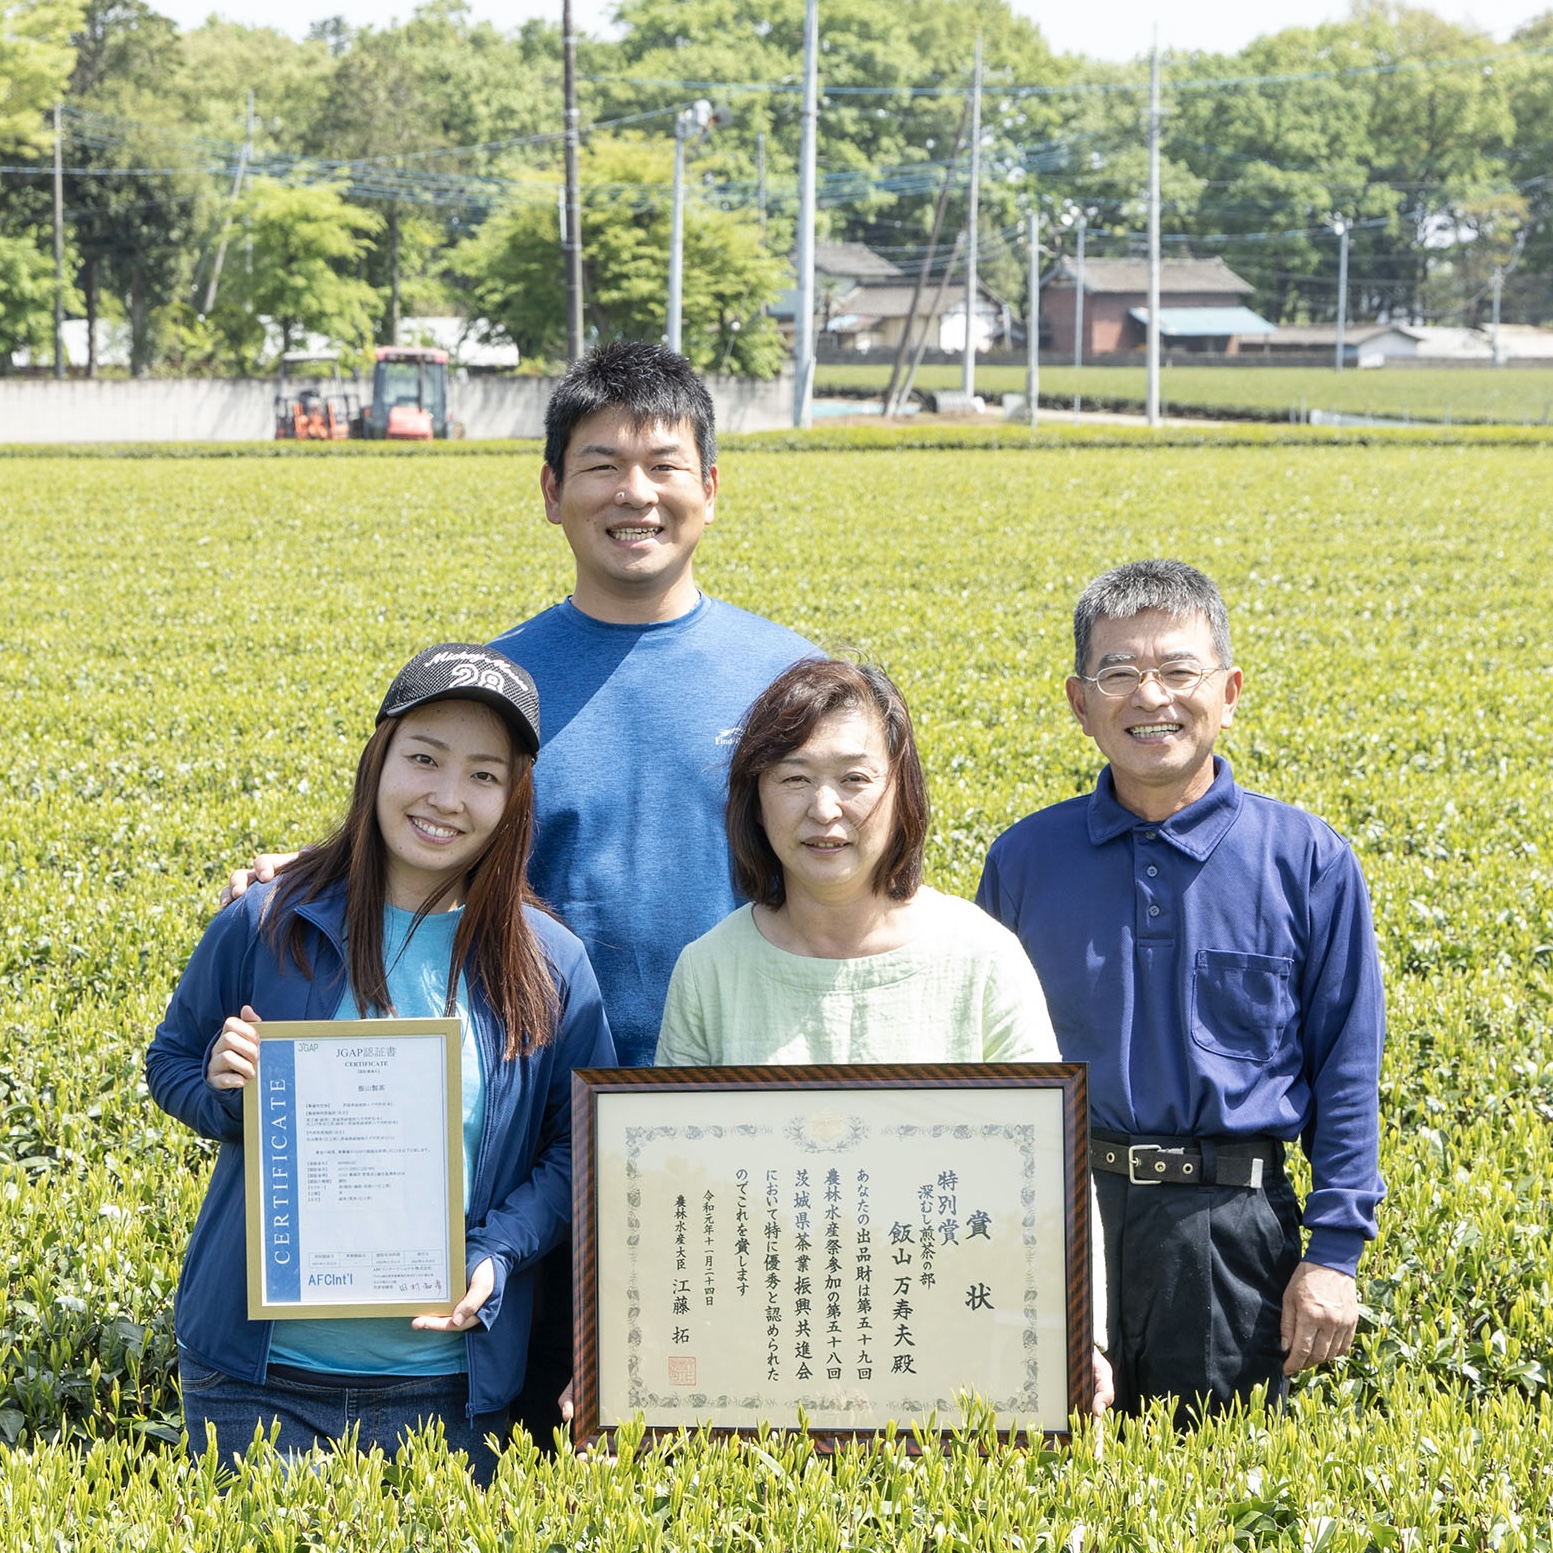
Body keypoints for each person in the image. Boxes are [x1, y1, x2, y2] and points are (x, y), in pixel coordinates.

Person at [224, 342, 816, 1440]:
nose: (632, 493)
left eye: (662, 464)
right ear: (549, 491)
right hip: (533, 1162)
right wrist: (307, 869)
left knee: (729, 1466)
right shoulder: (501, 690)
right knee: (536, 1446)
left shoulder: (789, 683)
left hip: (735, 1150)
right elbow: (424, 843)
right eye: (598, 464)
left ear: (711, 489)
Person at [148, 644, 615, 1483]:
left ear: (514, 799)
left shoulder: (550, 963)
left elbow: (577, 1148)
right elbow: (170, 1061)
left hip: (450, 1389)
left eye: (482, 774)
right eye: (424, 759)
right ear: (379, 762)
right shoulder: (265, 923)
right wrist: (223, 1087)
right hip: (255, 1382)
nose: (445, 796)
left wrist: (498, 1249)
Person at [976, 559, 1385, 1424]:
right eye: (1117, 673)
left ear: (1228, 691)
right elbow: (982, 1071)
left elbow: (1347, 1069)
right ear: (1079, 703)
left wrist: (1335, 1254)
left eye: (1177, 670)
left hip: (1228, 1234)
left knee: (1208, 1490)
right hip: (1059, 1223)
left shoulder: (1307, 861)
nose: (1148, 695)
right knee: (1045, 1490)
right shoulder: (1023, 861)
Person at [656, 657, 1114, 1413]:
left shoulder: (980, 957)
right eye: (792, 778)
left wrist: (1080, 1337)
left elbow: (1050, 1166)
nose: (823, 809)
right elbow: (674, 1188)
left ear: (900, 791)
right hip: (762, 1357)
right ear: (754, 799)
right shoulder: (709, 970)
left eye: (854, 778)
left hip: (956, 1360)